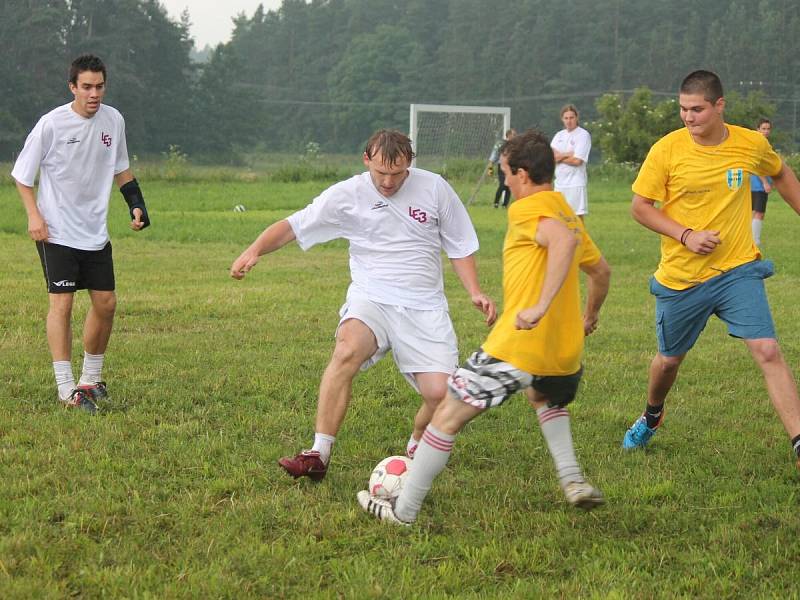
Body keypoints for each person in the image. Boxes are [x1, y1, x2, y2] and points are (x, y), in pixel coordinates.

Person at [357, 129, 612, 525]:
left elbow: (560, 244)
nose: (505, 181)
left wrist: (540, 306)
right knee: (545, 398)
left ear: (523, 175)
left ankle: (402, 512)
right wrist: (590, 316)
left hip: (517, 345)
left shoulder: (529, 209)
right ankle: (573, 480)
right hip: (564, 352)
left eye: (508, 173)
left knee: (446, 415)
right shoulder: (564, 208)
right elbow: (600, 271)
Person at [230, 129, 496, 481]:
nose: (387, 182)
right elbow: (294, 225)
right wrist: (254, 250)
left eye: (397, 173)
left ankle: (417, 440)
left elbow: (460, 244)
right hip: (372, 297)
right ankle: (317, 454)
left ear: (410, 164)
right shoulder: (348, 194)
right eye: (380, 173)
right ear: (366, 160)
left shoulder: (435, 188)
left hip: (423, 307)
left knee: (440, 396)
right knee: (346, 350)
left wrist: (475, 291)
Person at [622, 70, 800, 470]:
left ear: (719, 106)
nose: (688, 117)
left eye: (697, 109)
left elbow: (780, 172)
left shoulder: (750, 144)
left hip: (737, 269)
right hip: (682, 278)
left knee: (767, 350)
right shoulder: (666, 150)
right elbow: (639, 207)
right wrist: (685, 235)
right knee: (668, 362)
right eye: (683, 109)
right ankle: (652, 414)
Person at [11, 54, 150, 415]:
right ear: (72, 87)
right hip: (55, 231)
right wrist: (34, 216)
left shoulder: (113, 120)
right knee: (63, 303)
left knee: (106, 304)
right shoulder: (51, 124)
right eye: (86, 87)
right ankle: (65, 387)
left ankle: (91, 379)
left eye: (99, 86)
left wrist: (136, 204)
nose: (94, 94)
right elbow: (22, 177)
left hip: (94, 232)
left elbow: (122, 169)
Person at [551, 104, 591, 221]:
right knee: (560, 217)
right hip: (560, 183)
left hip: (575, 183)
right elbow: (551, 157)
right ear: (562, 119)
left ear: (577, 117)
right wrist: (567, 154)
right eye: (566, 118)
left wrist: (560, 156)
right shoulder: (559, 135)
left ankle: (582, 240)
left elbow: (577, 160)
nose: (569, 121)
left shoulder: (583, 135)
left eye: (571, 117)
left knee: (576, 218)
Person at [750, 117, 773, 245]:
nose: (766, 131)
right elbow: (756, 165)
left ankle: (751, 239)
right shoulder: (758, 145)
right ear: (757, 129)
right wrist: (764, 182)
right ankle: (755, 241)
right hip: (757, 185)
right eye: (763, 128)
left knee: (755, 213)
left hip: (755, 184)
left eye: (768, 129)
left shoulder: (765, 144)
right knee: (759, 213)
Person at [488, 128, 517, 208]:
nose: (515, 136)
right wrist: (490, 168)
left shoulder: (515, 145)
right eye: (514, 134)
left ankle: (505, 205)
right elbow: (493, 156)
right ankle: (495, 203)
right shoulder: (501, 144)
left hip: (511, 167)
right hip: (502, 167)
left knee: (508, 186)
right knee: (502, 185)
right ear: (509, 135)